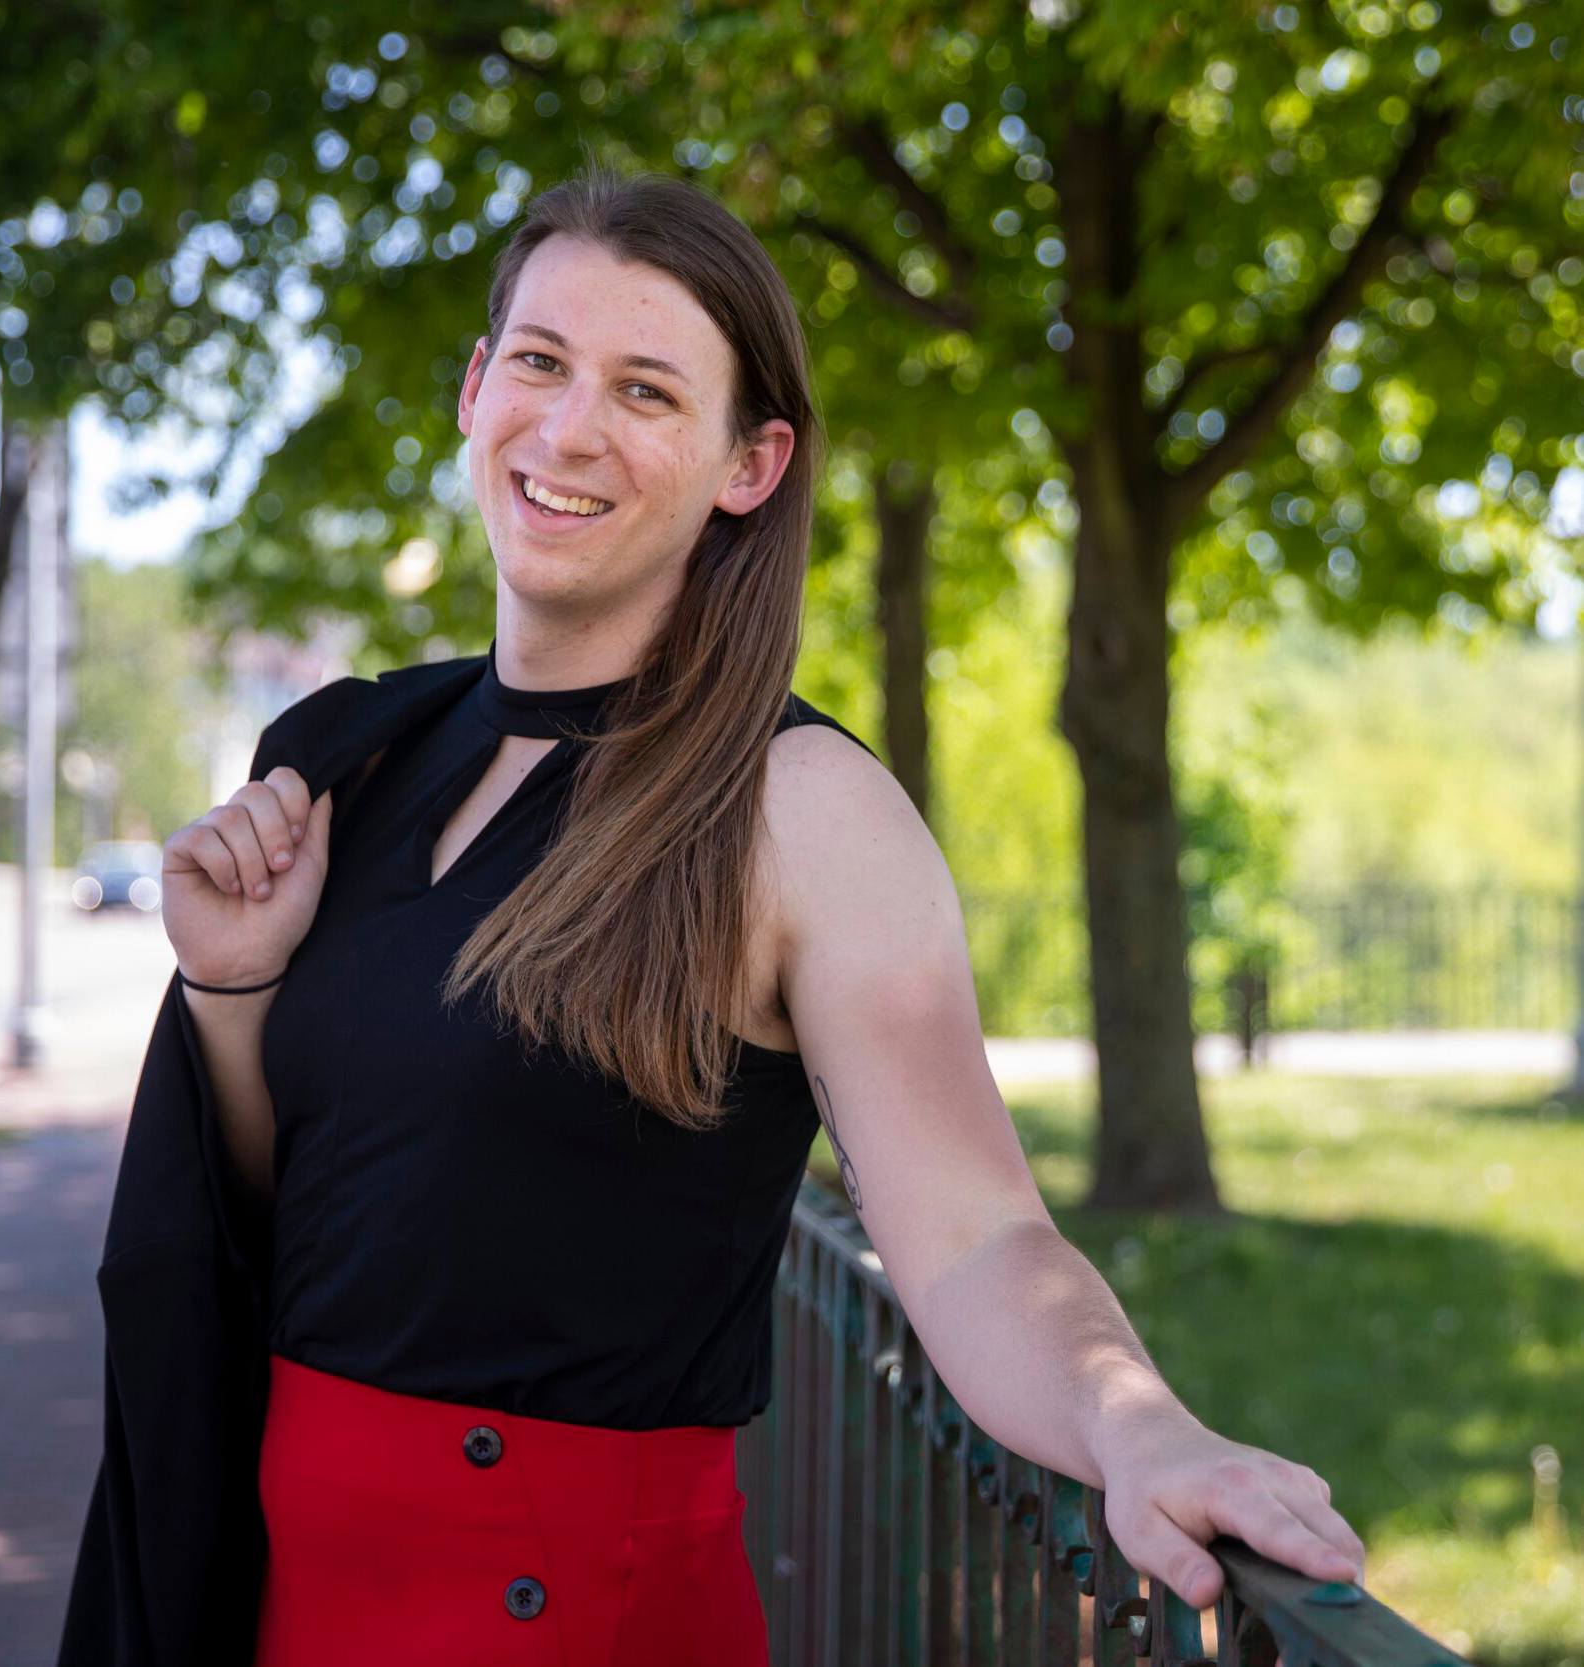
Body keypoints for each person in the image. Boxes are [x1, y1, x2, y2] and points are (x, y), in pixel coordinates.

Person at [123, 164, 1364, 1663]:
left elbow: (975, 1237)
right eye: (540, 362)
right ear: (473, 390)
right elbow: (301, 1213)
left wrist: (1137, 1424)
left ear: (750, 464)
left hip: (570, 1627)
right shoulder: (351, 761)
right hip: (279, 1603)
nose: (569, 429)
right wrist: (233, 987)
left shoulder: (800, 810)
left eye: (647, 392)